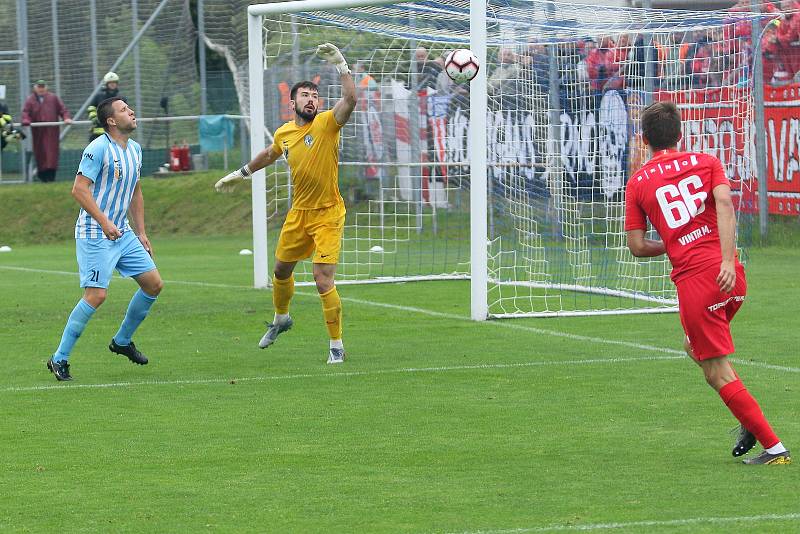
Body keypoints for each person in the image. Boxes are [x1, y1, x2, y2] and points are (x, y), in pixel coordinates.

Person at [625, 101, 791, 465]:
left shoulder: (637, 183)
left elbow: (636, 246)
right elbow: (725, 206)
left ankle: (774, 448)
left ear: (643, 140)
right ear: (681, 134)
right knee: (694, 348)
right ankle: (748, 418)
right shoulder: (707, 162)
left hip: (697, 286)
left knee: (714, 370)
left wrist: (671, 244)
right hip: (731, 277)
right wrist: (729, 261)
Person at [214, 43, 357, 365]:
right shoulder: (284, 133)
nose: (311, 99)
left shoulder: (327, 124)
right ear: (292, 102)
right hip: (298, 214)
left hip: (328, 213)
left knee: (322, 279)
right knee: (280, 270)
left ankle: (336, 345)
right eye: (304, 95)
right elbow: (269, 154)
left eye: (315, 96)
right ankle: (281, 319)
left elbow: (350, 100)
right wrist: (240, 173)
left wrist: (341, 65)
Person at [46, 97, 164, 381]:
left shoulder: (135, 150)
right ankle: (59, 358)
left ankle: (122, 341)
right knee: (96, 295)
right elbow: (79, 189)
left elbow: (136, 193)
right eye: (124, 110)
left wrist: (142, 232)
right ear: (111, 121)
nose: (132, 112)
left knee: (153, 284)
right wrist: (104, 221)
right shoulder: (97, 148)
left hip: (122, 232)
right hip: (95, 233)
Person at [20, 80, 72, 182]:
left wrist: (66, 118)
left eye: (43, 87)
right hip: (38, 131)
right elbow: (26, 112)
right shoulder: (30, 100)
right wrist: (26, 120)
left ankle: (51, 177)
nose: (41, 89)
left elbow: (62, 109)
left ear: (46, 88)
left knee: (52, 153)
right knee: (40, 153)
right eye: (39, 87)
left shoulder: (53, 98)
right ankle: (42, 175)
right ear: (35, 88)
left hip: (52, 131)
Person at [88, 72, 126, 141]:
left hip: (116, 132)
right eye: (110, 83)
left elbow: (125, 112)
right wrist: (95, 118)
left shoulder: (121, 98)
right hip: (98, 133)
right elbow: (91, 108)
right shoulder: (99, 96)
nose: (112, 84)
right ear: (106, 84)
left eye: (114, 82)